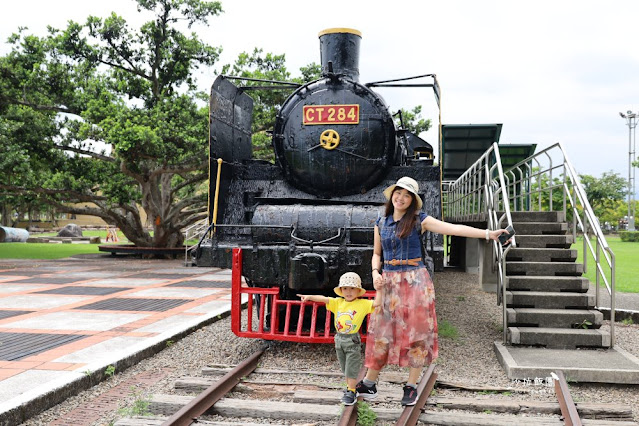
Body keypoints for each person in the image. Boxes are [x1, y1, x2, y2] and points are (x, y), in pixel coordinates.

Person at [355, 176, 509, 406]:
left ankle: (411, 386)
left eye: (407, 195)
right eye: (399, 193)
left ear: (413, 201)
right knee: (381, 331)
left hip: (415, 280)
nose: (401, 198)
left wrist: (488, 234)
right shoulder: (380, 222)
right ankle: (370, 383)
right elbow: (377, 254)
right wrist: (375, 273)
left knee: (417, 333)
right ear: (392, 195)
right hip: (387, 281)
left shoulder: (420, 220)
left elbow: (453, 229)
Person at [298, 272, 381, 406]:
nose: (348, 292)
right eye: (345, 288)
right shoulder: (337, 302)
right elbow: (323, 299)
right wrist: (309, 297)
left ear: (358, 291)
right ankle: (349, 388)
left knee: (351, 367)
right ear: (341, 290)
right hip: (339, 340)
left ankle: (351, 391)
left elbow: (377, 303)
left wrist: (379, 289)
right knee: (344, 367)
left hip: (352, 340)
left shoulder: (363, 304)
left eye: (352, 288)